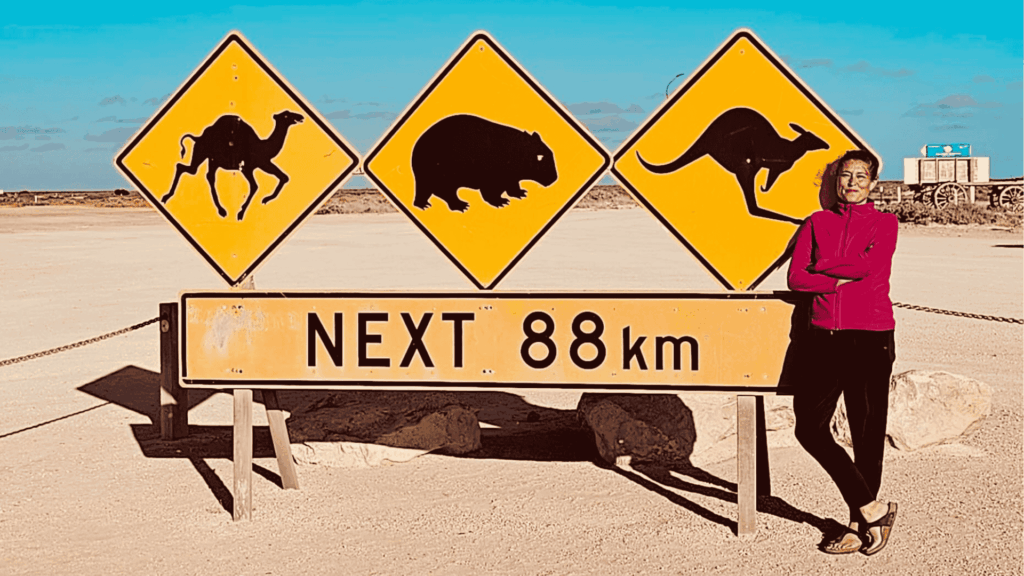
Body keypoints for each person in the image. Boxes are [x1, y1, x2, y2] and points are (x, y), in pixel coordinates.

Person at [787, 149, 899, 556]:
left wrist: (825, 266)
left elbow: (870, 267)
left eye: (861, 177)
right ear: (835, 182)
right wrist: (833, 281)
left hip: (870, 335)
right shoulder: (816, 223)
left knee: (866, 434)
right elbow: (797, 278)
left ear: (873, 184)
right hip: (822, 336)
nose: (852, 183)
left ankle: (856, 524)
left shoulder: (886, 223)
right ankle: (874, 509)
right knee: (809, 428)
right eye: (845, 176)